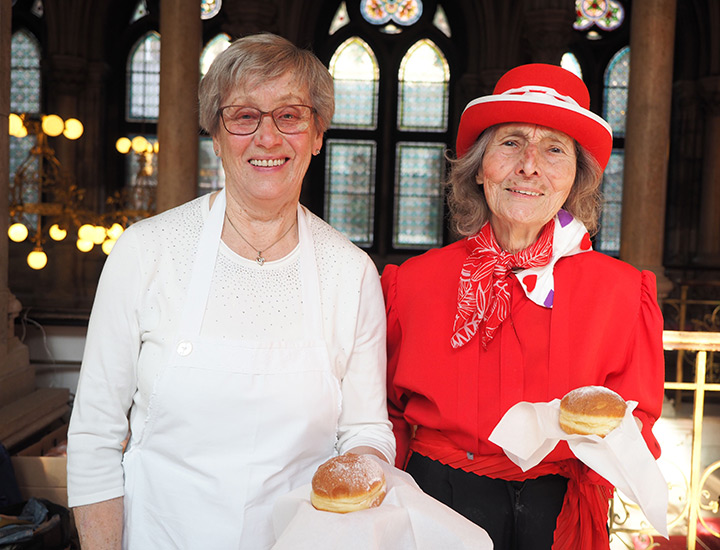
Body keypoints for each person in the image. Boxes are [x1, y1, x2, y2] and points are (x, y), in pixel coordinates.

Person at [67, 32, 395, 549]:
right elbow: (94, 438)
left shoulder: (350, 273)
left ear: (317, 133)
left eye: (290, 114)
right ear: (215, 135)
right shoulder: (146, 252)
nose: (268, 138)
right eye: (244, 117)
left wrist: (365, 468)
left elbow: (365, 430)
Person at [382, 63, 664, 550]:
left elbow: (637, 422)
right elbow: (383, 416)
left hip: (560, 514)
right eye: (511, 142)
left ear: (576, 177)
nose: (529, 165)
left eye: (554, 149)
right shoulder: (411, 283)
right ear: (479, 166)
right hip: (434, 506)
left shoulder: (623, 292)